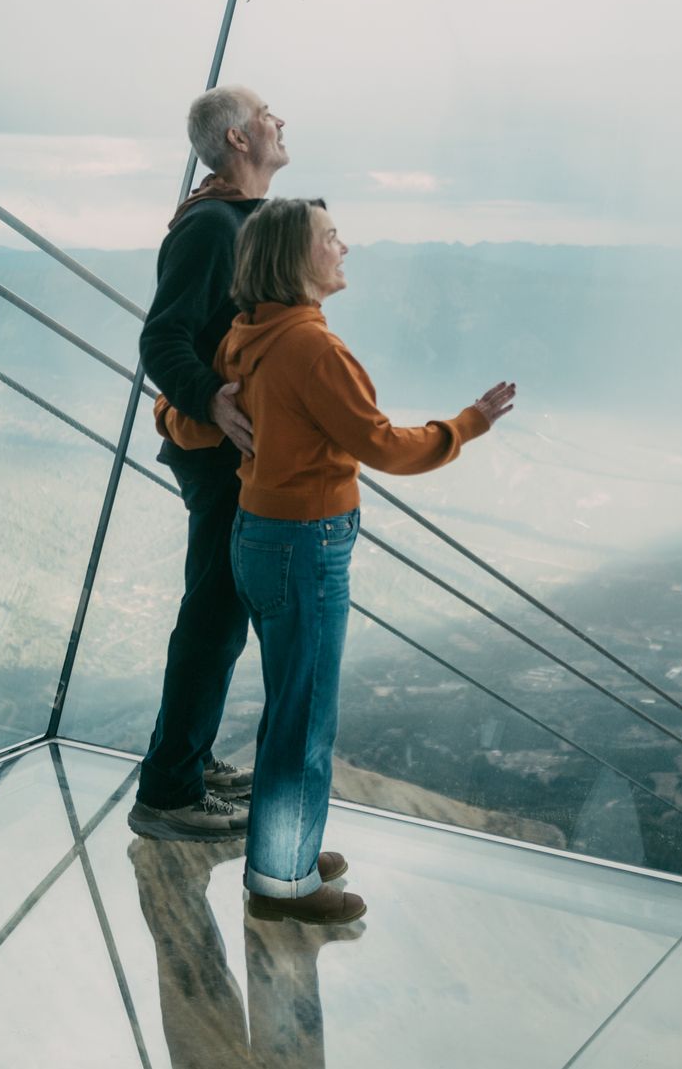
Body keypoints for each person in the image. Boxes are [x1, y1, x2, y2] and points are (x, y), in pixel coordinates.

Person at [157, 198, 515, 923]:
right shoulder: (313, 349)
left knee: (287, 707)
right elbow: (384, 445)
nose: (343, 246)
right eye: (330, 238)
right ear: (299, 257)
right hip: (304, 544)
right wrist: (469, 424)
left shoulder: (249, 335)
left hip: (256, 534)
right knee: (305, 717)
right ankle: (283, 883)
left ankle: (282, 847)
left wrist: (173, 416)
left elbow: (189, 412)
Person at [128, 86, 289, 841]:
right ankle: (169, 791)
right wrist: (213, 404)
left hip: (233, 451)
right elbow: (162, 337)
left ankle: (184, 761)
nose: (280, 121)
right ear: (236, 138)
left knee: (216, 614)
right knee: (215, 619)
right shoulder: (213, 227)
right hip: (221, 452)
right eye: (267, 114)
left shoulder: (238, 221)